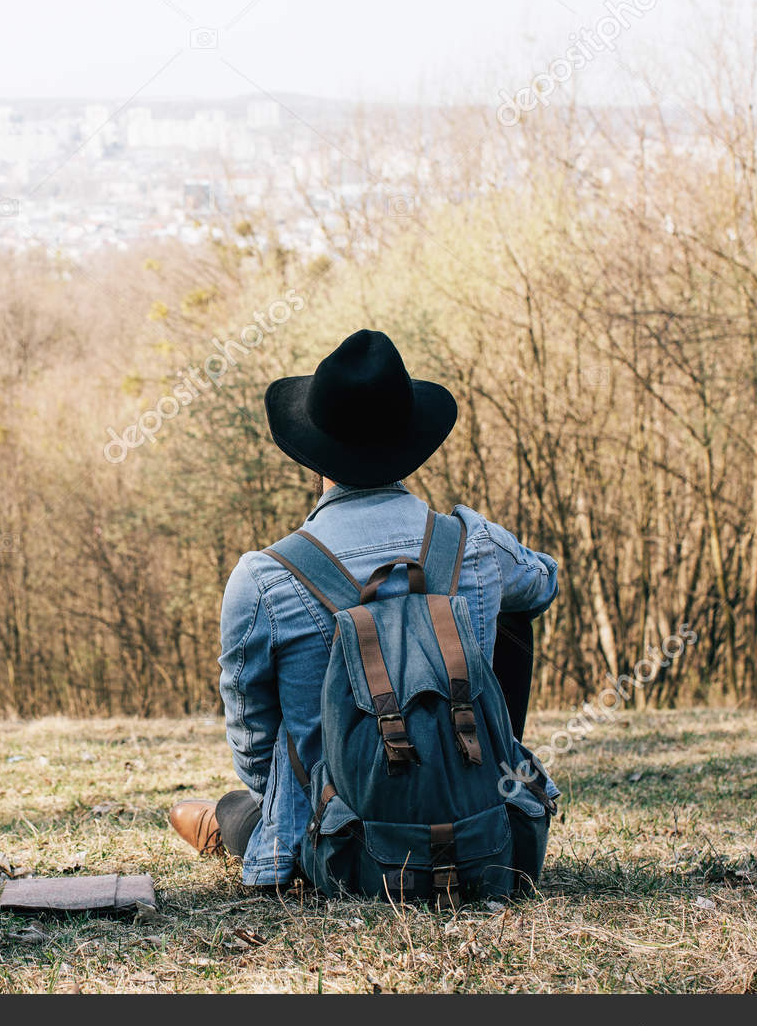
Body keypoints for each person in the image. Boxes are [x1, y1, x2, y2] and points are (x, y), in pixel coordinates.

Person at [167, 329, 559, 886]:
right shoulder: (475, 544)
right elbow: (543, 583)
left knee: (244, 802)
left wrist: (284, 792)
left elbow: (252, 739)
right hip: (481, 828)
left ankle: (234, 826)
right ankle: (475, 779)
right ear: (408, 442)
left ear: (314, 454)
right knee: (513, 611)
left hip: (337, 841)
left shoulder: (264, 578)